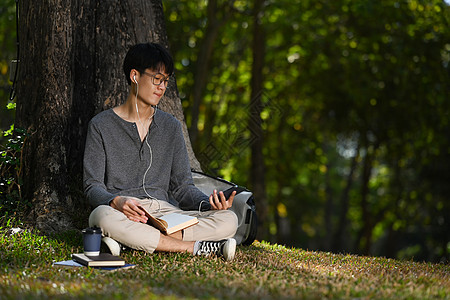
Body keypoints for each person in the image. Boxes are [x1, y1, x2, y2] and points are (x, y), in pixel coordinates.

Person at [83, 43, 238, 260]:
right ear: (135, 76)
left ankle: (133, 242)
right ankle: (194, 247)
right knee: (100, 216)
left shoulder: (171, 126)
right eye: (157, 78)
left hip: (167, 214)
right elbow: (92, 186)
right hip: (125, 213)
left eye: (166, 80)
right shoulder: (101, 125)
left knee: (229, 219)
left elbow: (183, 187)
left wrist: (208, 205)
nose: (162, 87)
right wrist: (115, 201)